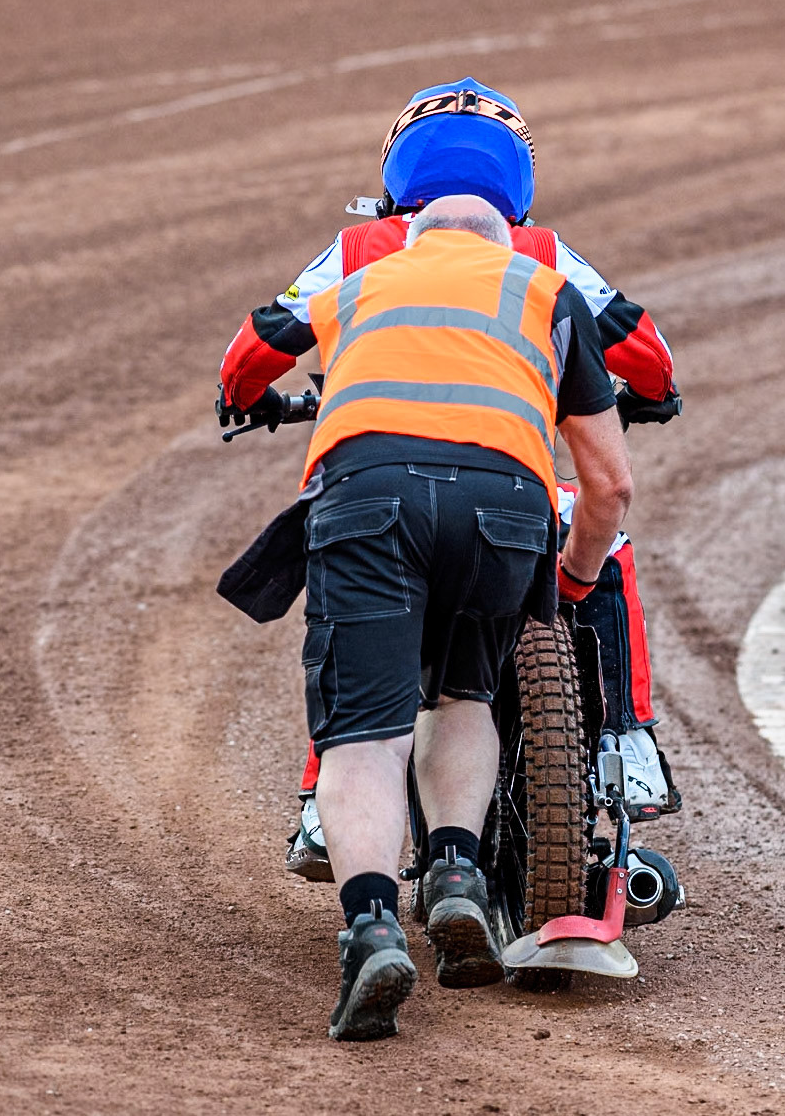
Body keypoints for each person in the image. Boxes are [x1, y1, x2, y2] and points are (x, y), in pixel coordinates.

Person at [218, 78, 683, 883]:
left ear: (397, 172)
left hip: (372, 475)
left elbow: (257, 342)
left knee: (348, 600)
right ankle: (626, 739)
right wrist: (648, 397)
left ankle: (316, 803)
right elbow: (644, 347)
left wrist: (244, 397)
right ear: (518, 182)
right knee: (608, 538)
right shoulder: (539, 251)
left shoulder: (361, 248)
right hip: (507, 486)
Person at [220, 195, 633, 1040]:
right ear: (502, 241)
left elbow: (260, 350)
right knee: (465, 697)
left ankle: (372, 927)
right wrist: (578, 576)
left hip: (369, 493)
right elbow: (612, 484)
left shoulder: (358, 287)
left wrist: (246, 393)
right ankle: (454, 871)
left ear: (412, 237)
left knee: (364, 736)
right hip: (505, 504)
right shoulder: (545, 292)